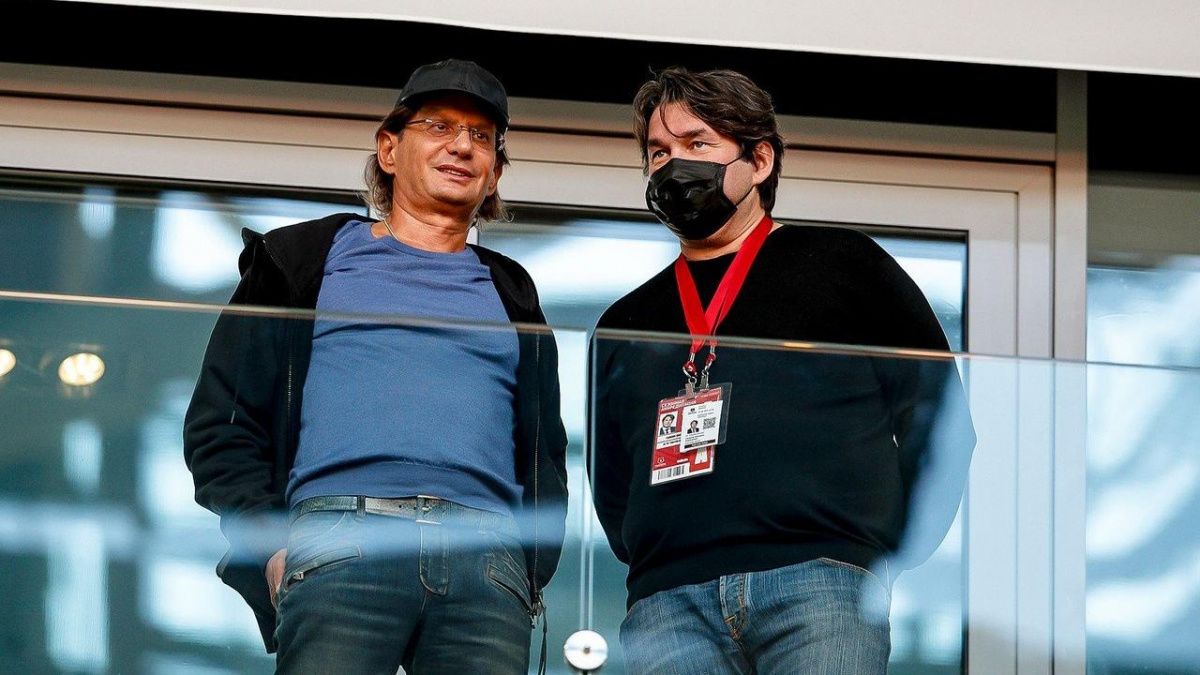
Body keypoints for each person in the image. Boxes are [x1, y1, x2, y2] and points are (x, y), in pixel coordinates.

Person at [184, 59, 568, 674]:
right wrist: (273, 544)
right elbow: (221, 425)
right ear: (388, 149)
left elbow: (545, 447)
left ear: (494, 171)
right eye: (439, 126)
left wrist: (527, 566)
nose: (462, 146)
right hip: (341, 535)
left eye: (481, 137)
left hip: (489, 555)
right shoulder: (304, 258)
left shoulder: (512, 289)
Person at [590, 67, 976, 674]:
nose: (673, 165)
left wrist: (888, 553)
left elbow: (941, 420)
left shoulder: (845, 265)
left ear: (759, 160)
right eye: (658, 152)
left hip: (821, 582)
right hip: (666, 604)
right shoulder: (624, 321)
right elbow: (611, 481)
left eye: (697, 144)